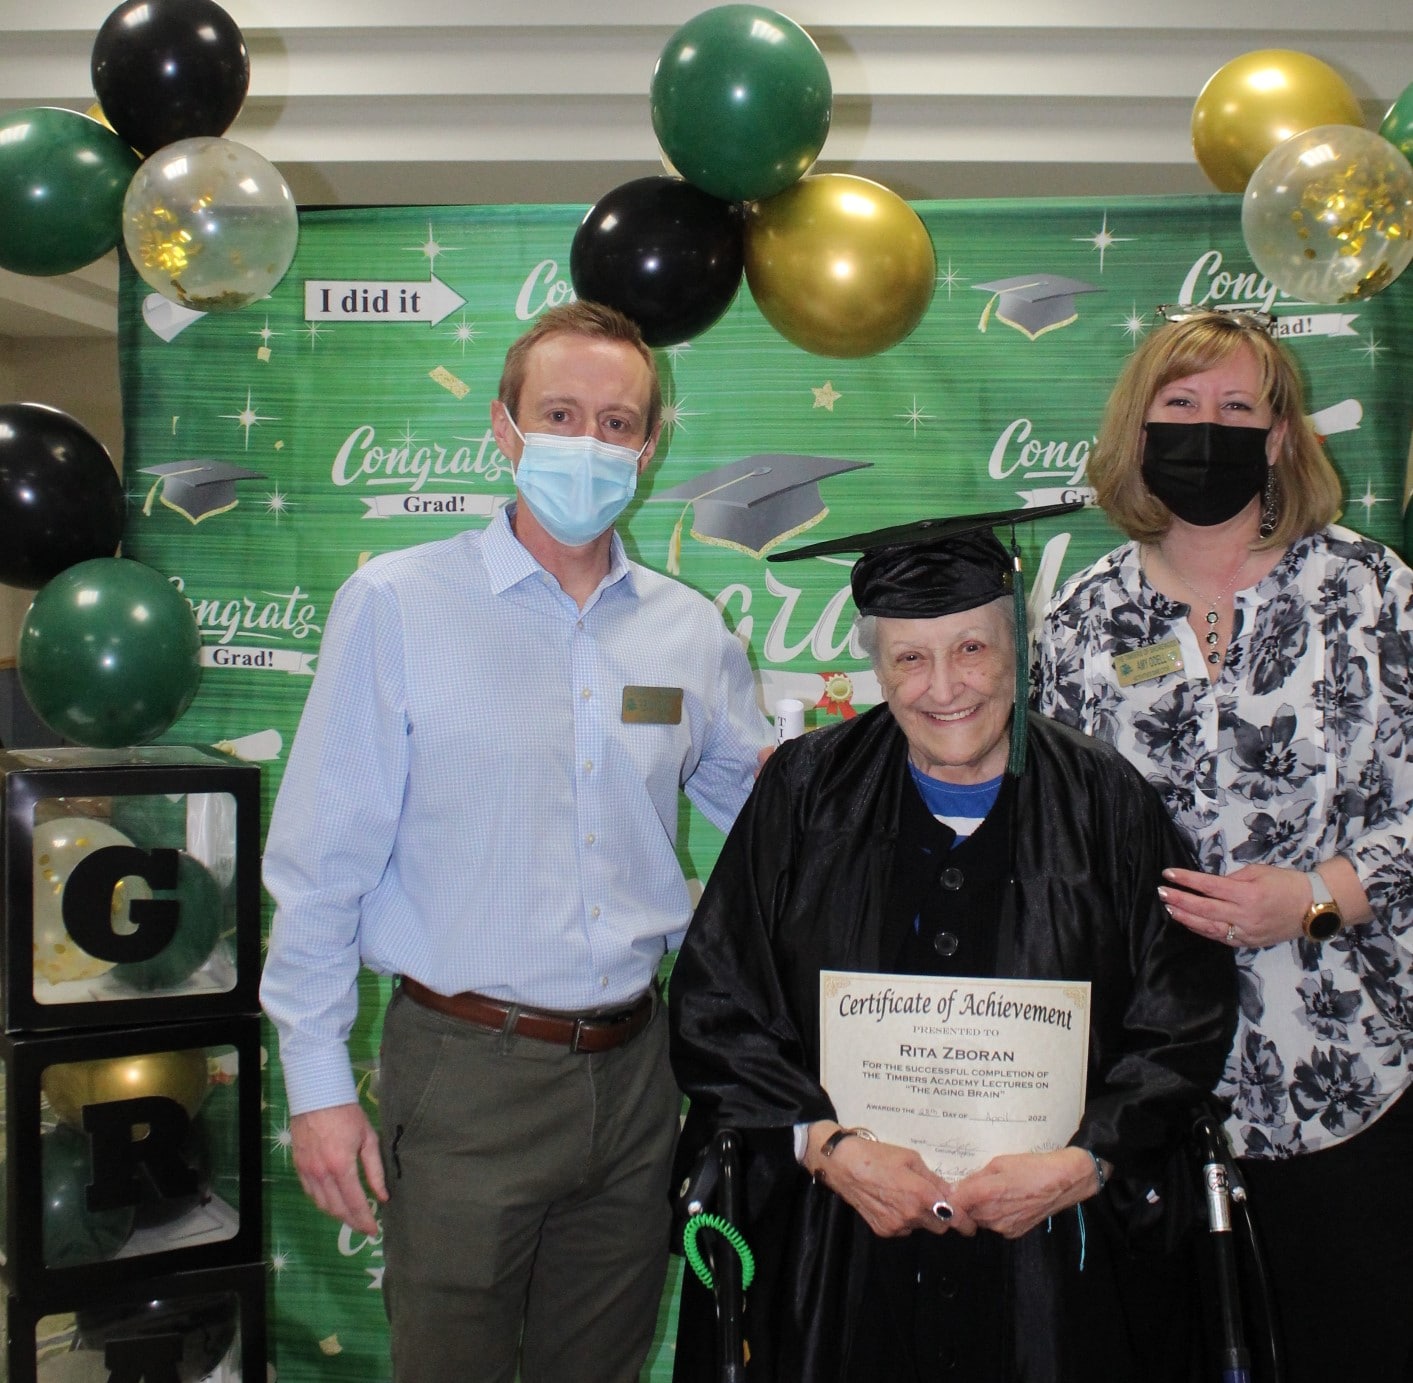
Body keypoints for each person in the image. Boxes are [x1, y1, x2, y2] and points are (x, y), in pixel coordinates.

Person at [261, 300, 772, 1383]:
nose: (589, 443)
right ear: (504, 427)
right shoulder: (397, 603)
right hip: (464, 1075)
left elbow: (768, 820)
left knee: (604, 1367)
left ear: (649, 443)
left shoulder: (690, 633)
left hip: (639, 1075)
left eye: (618, 422)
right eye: (561, 413)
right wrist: (315, 1084)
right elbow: (320, 866)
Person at [668, 504, 1237, 1382]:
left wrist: (1086, 1160)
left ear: (1016, 645)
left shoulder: (1104, 802)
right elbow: (717, 1002)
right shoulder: (804, 795)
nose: (945, 686)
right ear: (877, 667)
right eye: (910, 657)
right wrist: (825, 1145)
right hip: (843, 1248)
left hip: (1053, 1253)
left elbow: (1182, 1011)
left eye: (970, 648)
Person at [1033, 307, 1413, 1383]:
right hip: (1149, 1084)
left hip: (1351, 1067)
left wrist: (1318, 896)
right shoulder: (1081, 620)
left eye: (1239, 407)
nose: (1210, 427)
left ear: (1283, 436)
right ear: (1137, 430)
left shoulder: (1369, 591)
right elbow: (1061, 849)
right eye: (1182, 405)